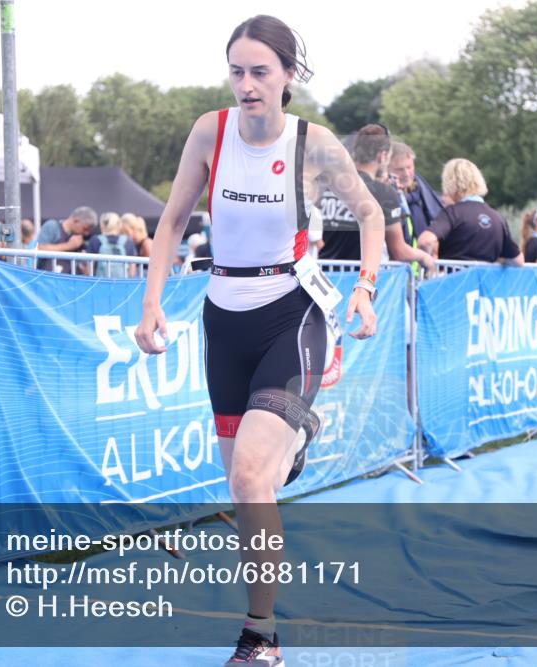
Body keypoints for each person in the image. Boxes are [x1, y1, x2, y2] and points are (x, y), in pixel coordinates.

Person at [132, 15, 384, 666]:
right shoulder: (208, 133)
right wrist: (153, 300)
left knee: (249, 476)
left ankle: (260, 635)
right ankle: (293, 438)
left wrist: (364, 287)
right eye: (237, 71)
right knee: (249, 486)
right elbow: (174, 219)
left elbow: (371, 213)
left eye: (260, 72)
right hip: (225, 320)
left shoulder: (315, 143)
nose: (246, 85)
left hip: (292, 314)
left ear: (289, 76)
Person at [318, 124, 436, 274]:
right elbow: (398, 251)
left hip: (325, 279)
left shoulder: (329, 187)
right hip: (359, 283)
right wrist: (425, 258)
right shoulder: (383, 193)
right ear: (382, 156)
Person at [415, 158, 522, 265]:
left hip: (454, 279)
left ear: (450, 184)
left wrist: (431, 265)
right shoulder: (498, 218)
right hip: (484, 281)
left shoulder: (453, 213)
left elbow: (426, 241)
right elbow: (518, 261)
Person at [389, 141, 444, 242]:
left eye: (409, 167)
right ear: (386, 169)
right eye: (400, 169)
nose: (406, 173)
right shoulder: (383, 199)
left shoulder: (424, 195)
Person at [36, 206, 96, 273]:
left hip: (68, 280)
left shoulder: (80, 239)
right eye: (85, 229)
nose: (86, 233)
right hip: (46, 279)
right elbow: (40, 248)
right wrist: (70, 246)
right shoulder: (52, 226)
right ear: (76, 221)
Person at [86, 211, 138, 277]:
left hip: (101, 283)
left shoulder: (95, 240)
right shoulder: (127, 241)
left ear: (102, 225)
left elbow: (88, 271)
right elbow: (132, 272)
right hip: (122, 284)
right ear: (119, 225)